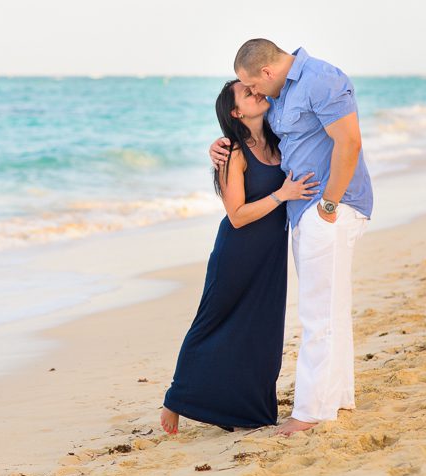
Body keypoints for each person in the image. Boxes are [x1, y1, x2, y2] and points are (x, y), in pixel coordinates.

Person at [209, 39, 373, 436]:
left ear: (265, 72)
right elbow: (269, 141)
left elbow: (349, 141)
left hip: (328, 207)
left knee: (317, 313)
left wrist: (329, 206)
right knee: (331, 309)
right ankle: (337, 397)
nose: (255, 93)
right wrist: (220, 142)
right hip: (305, 211)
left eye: (252, 85)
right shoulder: (281, 94)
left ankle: (309, 412)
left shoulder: (320, 79)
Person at [160, 79, 318, 434]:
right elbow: (237, 214)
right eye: (247, 93)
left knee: (263, 330)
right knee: (213, 321)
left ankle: (253, 412)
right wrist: (283, 194)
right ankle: (176, 399)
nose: (256, 92)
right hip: (237, 250)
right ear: (236, 112)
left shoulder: (279, 137)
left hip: (270, 253)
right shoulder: (232, 152)